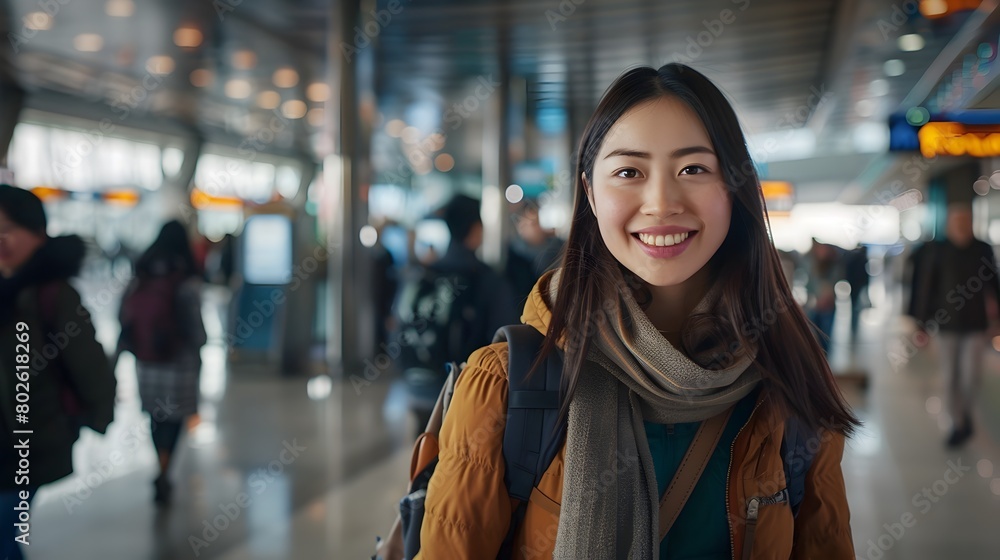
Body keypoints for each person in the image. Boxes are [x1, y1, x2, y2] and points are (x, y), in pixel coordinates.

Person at [415, 65, 859, 559]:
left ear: (734, 188)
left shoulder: (789, 380)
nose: (661, 203)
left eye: (693, 169)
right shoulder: (510, 384)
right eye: (629, 172)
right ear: (589, 193)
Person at [0, 185, 116, 560]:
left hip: (26, 441)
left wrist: (97, 415)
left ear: (38, 234)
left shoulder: (52, 294)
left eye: (9, 228)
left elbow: (88, 363)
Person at [393, 194, 516, 434]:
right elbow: (507, 344)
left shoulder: (423, 275)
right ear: (476, 229)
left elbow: (398, 326)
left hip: (418, 387)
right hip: (465, 392)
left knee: (426, 453)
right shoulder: (487, 279)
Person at [118, 219, 206, 504]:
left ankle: (160, 461)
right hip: (179, 362)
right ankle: (165, 468)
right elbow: (197, 330)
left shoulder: (141, 276)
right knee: (175, 417)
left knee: (156, 416)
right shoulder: (185, 279)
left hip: (147, 362)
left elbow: (123, 316)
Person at [908, 204, 999, 447]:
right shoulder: (937, 250)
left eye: (964, 220)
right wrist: (922, 323)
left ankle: (966, 412)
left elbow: (994, 285)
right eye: (956, 221)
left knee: (971, 376)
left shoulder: (982, 248)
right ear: (949, 224)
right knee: (950, 378)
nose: (960, 225)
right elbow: (926, 286)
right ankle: (957, 424)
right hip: (946, 325)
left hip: (976, 325)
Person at [505, 202, 565, 310]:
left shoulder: (558, 249)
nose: (536, 229)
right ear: (520, 227)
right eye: (531, 224)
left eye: (537, 222)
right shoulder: (513, 258)